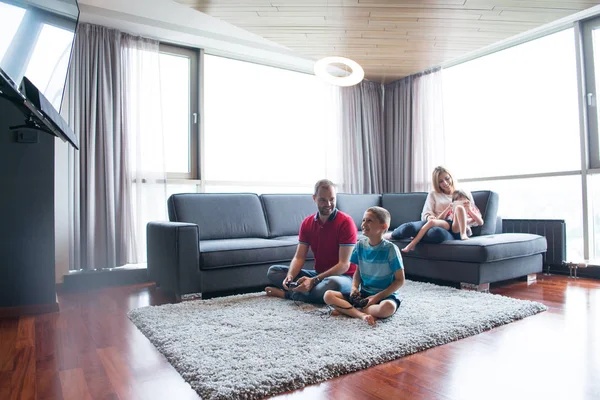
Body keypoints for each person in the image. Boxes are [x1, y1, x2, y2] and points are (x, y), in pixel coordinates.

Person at [264, 179, 358, 304]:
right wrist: (290, 276)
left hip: (344, 277)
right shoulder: (307, 223)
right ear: (314, 198)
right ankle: (306, 291)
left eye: (332, 199)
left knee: (332, 284)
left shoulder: (346, 222)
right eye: (323, 200)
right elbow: (299, 257)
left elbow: (344, 265)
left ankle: (287, 294)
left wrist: (313, 280)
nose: (328, 204)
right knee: (274, 271)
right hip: (319, 274)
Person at [323, 206, 404, 326]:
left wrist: (376, 298)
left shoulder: (391, 249)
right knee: (328, 295)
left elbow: (400, 280)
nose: (364, 223)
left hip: (384, 295)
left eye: (369, 220)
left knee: (387, 308)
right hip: (364, 294)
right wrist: (354, 287)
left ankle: (349, 310)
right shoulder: (360, 245)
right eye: (363, 220)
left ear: (384, 226)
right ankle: (361, 314)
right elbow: (357, 273)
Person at [385, 166, 476, 244]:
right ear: (437, 183)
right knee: (409, 227)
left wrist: (466, 220)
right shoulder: (433, 194)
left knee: (435, 233)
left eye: (447, 178)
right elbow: (426, 213)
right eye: (440, 181)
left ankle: (416, 237)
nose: (445, 183)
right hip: (434, 222)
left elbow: (475, 218)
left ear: (451, 177)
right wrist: (429, 217)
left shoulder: (464, 194)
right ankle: (392, 235)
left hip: (451, 229)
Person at [401, 189, 483, 252]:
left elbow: (480, 222)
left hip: (459, 230)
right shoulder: (452, 210)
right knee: (431, 222)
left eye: (463, 200)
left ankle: (463, 234)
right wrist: (448, 208)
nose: (460, 202)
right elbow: (439, 219)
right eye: (458, 200)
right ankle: (412, 244)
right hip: (450, 225)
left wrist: (469, 210)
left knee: (459, 208)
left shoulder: (471, 209)